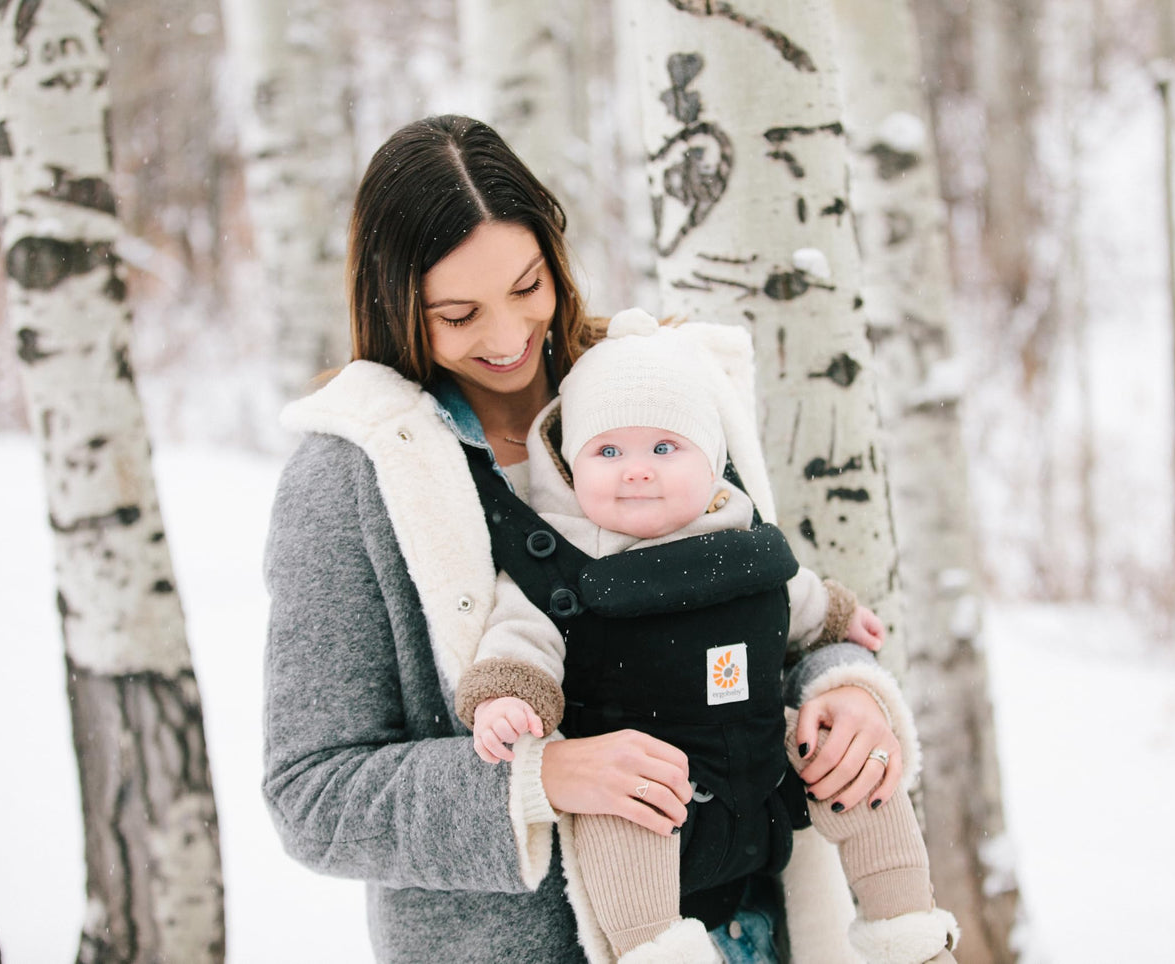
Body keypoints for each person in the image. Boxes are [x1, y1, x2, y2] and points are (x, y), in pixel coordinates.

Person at [263, 114, 939, 964]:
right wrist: (542, 778)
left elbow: (759, 597)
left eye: (527, 287)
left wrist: (848, 692)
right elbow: (312, 793)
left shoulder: (645, 392)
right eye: (459, 313)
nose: (508, 337)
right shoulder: (349, 479)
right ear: (393, 303)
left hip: (751, 929)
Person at [456, 308, 960, 964]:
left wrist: (837, 619)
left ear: (711, 458)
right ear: (570, 465)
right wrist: (505, 695)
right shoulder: (561, 561)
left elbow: (794, 600)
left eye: (664, 447)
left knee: (855, 769)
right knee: (618, 813)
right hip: (650, 784)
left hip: (760, 763)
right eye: (607, 451)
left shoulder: (741, 535)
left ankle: (907, 930)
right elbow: (519, 637)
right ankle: (659, 952)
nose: (636, 469)